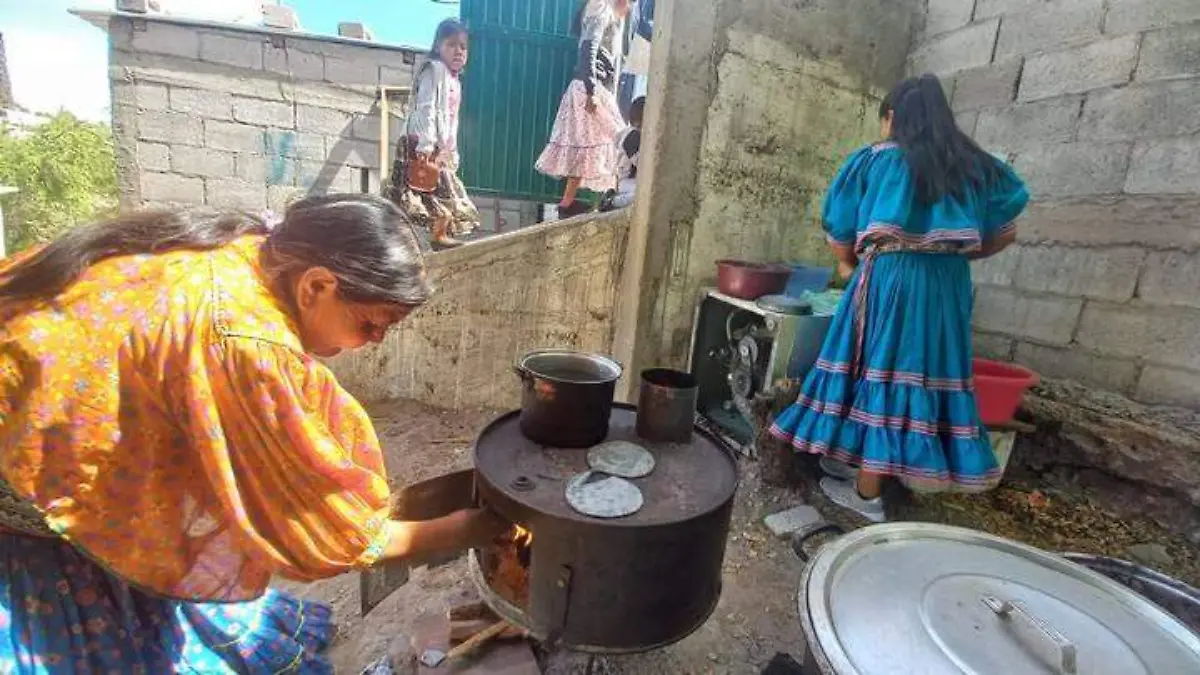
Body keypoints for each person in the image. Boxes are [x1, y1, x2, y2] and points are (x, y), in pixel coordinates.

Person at [0, 194, 509, 673]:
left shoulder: (255, 251)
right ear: (316, 286)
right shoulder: (243, 340)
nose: (372, 343)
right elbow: (319, 535)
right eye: (370, 325)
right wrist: (463, 530)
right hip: (30, 467)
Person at [769, 74, 1030, 523]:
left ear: (892, 117)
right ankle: (895, 469)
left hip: (890, 276)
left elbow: (839, 233)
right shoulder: (971, 164)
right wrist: (950, 254)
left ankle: (867, 496)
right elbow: (1004, 233)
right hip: (947, 283)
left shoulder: (874, 162)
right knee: (921, 374)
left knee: (882, 374)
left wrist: (853, 267)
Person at [388, 19, 479, 250]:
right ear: (439, 46)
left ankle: (437, 237)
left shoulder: (455, 81)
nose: (458, 50)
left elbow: (452, 119)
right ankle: (403, 239)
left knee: (442, 193)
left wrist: (451, 151)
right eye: (451, 45)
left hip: (440, 149)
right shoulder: (434, 70)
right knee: (416, 191)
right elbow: (426, 107)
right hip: (420, 143)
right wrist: (425, 146)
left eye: (463, 46)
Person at [536, 0, 631, 218]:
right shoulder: (601, 7)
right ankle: (614, 197)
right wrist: (591, 89)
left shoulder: (608, 13)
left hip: (591, 86)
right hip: (591, 87)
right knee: (619, 137)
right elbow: (589, 45)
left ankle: (567, 204)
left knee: (585, 145)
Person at [600, 95, 644, 212]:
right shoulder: (633, 135)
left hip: (629, 182)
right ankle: (612, 201)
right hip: (627, 183)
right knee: (643, 197)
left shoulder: (632, 133)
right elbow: (642, 165)